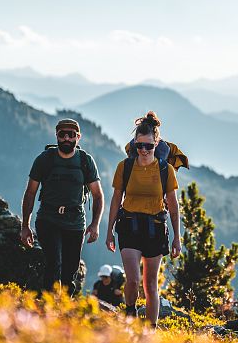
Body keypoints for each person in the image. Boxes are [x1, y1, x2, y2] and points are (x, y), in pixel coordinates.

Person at [105, 111, 181, 327]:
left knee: (150, 284)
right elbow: (116, 200)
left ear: (156, 143)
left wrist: (177, 237)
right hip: (129, 225)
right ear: (134, 145)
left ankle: (151, 331)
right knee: (133, 279)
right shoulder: (125, 167)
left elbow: (174, 206)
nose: (144, 150)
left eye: (148, 145)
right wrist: (109, 231)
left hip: (155, 228)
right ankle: (130, 311)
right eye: (140, 146)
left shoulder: (166, 170)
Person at [20, 118, 104, 295]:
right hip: (48, 219)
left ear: (78, 137)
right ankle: (49, 307)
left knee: (70, 268)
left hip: (75, 222)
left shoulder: (85, 161)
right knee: (53, 262)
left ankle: (65, 307)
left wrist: (95, 224)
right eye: (62, 134)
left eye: (71, 135)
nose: (66, 138)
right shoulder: (44, 160)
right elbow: (30, 193)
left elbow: (98, 195)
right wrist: (25, 226)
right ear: (56, 136)